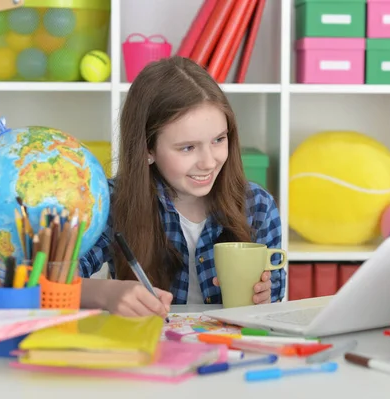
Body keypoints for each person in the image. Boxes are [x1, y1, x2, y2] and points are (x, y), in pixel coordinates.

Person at [78, 56, 286, 319]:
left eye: (219, 140)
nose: (209, 162)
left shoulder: (258, 205)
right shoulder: (111, 202)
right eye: (187, 147)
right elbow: (48, 283)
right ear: (147, 149)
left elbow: (275, 302)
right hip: (149, 352)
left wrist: (264, 298)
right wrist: (106, 294)